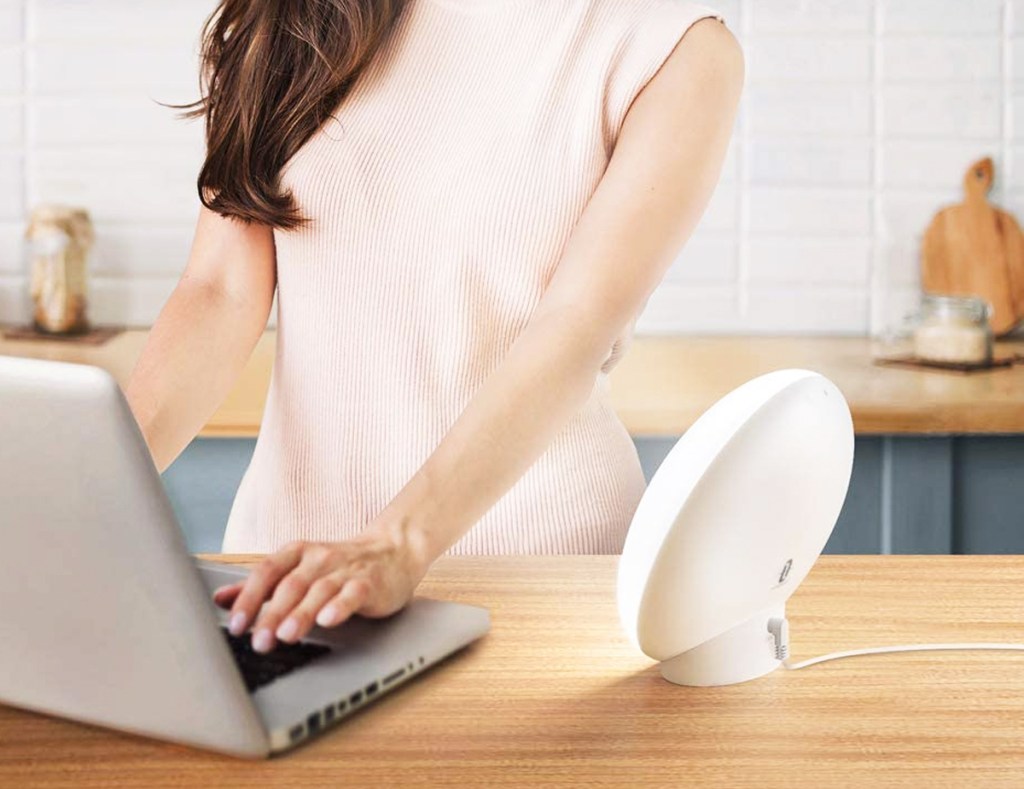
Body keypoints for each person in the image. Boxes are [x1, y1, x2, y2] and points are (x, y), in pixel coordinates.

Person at [125, 0, 743, 654]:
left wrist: (399, 541)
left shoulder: (677, 50)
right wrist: (92, 487)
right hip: (287, 573)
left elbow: (574, 328)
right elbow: (219, 290)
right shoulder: (291, 17)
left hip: (538, 580)